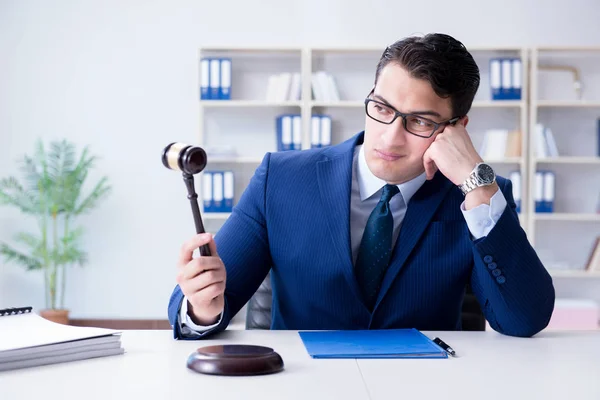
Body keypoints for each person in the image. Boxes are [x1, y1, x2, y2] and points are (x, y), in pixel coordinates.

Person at [168, 33, 555, 339]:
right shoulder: (281, 179)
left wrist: (478, 183)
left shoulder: (479, 197)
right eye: (382, 109)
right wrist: (202, 306)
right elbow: (193, 310)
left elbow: (523, 320)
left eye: (419, 121)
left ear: (456, 130)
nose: (390, 139)